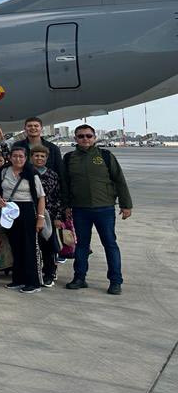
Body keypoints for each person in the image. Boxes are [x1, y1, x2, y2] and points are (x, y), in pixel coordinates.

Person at [60, 125, 132, 295]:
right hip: (80, 209)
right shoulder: (70, 158)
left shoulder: (105, 156)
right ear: (75, 138)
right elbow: (65, 185)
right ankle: (79, 278)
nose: (85, 139)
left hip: (104, 208)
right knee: (82, 246)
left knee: (110, 244)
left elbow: (119, 180)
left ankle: (115, 281)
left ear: (94, 138)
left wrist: (126, 204)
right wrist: (66, 206)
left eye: (88, 136)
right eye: (81, 136)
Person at [0, 147, 46, 294]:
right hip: (10, 210)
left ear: (26, 158)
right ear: (9, 157)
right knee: (15, 246)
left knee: (29, 247)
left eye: (21, 157)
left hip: (28, 210)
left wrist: (40, 218)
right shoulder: (4, 171)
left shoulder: (31, 174)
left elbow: (41, 197)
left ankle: (33, 282)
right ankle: (18, 279)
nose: (18, 159)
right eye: (15, 156)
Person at [30, 144, 62, 287]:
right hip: (30, 214)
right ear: (31, 158)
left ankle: (49, 273)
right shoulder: (26, 173)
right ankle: (34, 273)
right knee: (32, 246)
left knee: (48, 246)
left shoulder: (52, 175)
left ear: (46, 158)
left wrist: (57, 217)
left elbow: (57, 197)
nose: (39, 158)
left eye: (42, 156)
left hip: (48, 215)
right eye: (36, 155)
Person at [0, 117, 64, 178]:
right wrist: (2, 143)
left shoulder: (53, 148)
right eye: (29, 126)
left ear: (41, 128)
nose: (33, 128)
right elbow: (10, 160)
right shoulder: (18, 145)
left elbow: (60, 171)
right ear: (25, 129)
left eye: (36, 126)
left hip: (47, 187)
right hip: (24, 186)